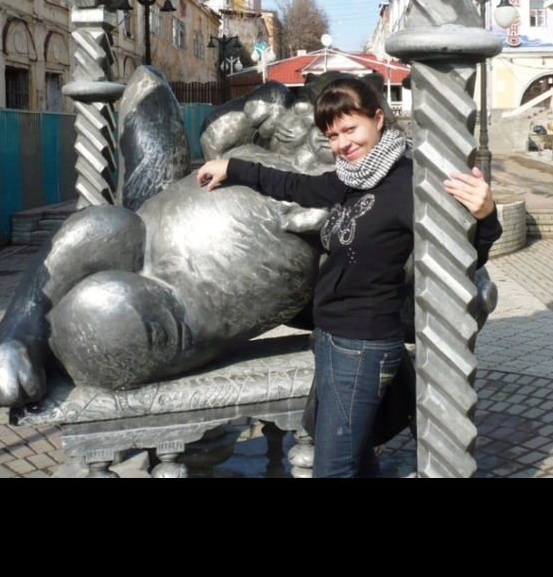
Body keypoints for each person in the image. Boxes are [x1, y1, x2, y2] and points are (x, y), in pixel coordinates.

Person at [197, 77, 501, 478]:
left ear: (378, 119)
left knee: (333, 468)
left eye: (350, 129)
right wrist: (232, 168)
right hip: (331, 338)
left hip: (363, 345)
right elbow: (293, 184)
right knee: (358, 461)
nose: (342, 143)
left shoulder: (409, 184)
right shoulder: (350, 180)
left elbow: (461, 256)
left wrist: (487, 215)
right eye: (332, 135)